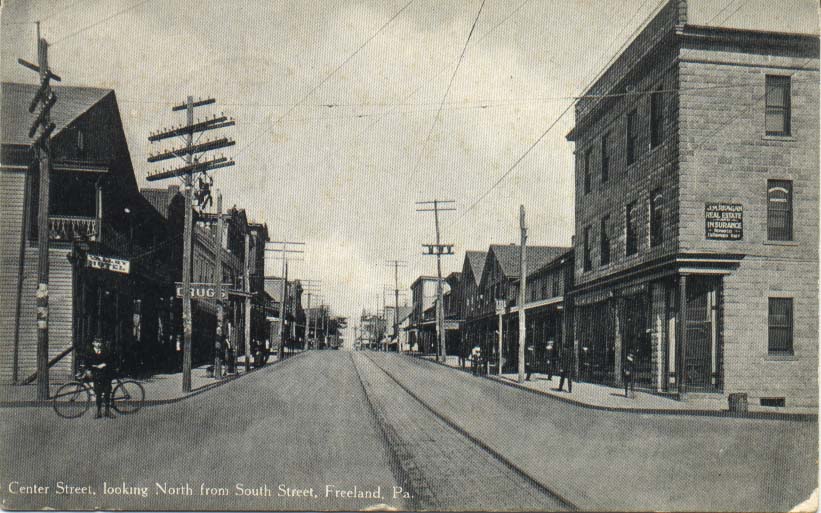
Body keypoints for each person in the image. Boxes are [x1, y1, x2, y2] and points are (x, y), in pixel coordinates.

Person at [85, 337, 115, 419]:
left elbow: (110, 360)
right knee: (98, 394)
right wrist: (92, 367)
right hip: (97, 375)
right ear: (93, 343)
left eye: (100, 342)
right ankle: (98, 411)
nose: (99, 344)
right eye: (97, 342)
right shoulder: (90, 352)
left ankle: (107, 411)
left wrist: (105, 364)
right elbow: (87, 363)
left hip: (106, 374)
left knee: (107, 393)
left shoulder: (105, 351)